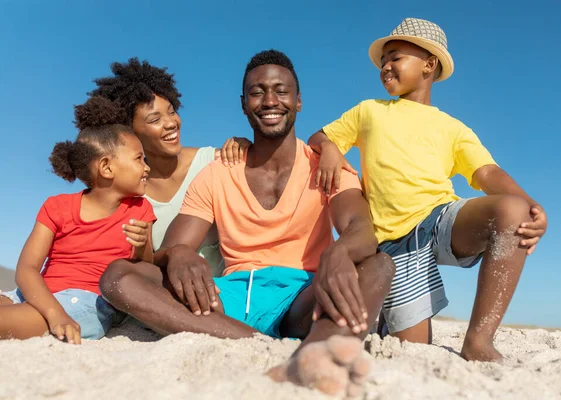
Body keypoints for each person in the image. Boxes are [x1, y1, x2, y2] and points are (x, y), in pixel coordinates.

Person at [99, 50, 395, 397]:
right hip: (231, 299)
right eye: (257, 92)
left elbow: (361, 229)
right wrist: (176, 255)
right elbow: (171, 249)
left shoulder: (326, 166)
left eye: (281, 91)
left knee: (379, 264)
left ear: (298, 101)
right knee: (119, 276)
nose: (270, 101)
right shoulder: (217, 173)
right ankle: (253, 342)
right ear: (243, 104)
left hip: (303, 297)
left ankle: (321, 352)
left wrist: (339, 252)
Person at [305, 18, 548, 362]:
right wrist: (330, 148)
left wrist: (532, 205)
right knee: (411, 350)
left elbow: (487, 171)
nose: (385, 66)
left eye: (395, 57)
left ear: (428, 65)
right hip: (392, 244)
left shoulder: (453, 128)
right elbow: (321, 137)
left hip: (439, 220)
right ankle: (386, 320)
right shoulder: (369, 111)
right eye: (383, 61)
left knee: (512, 212)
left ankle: (478, 340)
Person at [0, 97, 156, 344]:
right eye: (139, 158)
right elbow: (27, 269)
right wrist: (53, 312)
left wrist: (143, 244)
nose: (147, 167)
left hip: (85, 303)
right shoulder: (57, 206)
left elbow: (146, 264)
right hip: (38, 295)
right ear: (106, 168)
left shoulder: (140, 209)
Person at [89, 58, 249, 276]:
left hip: (227, 296)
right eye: (155, 120)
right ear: (129, 132)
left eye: (172, 111)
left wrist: (246, 146)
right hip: (169, 299)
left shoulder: (216, 161)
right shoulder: (130, 193)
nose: (171, 123)